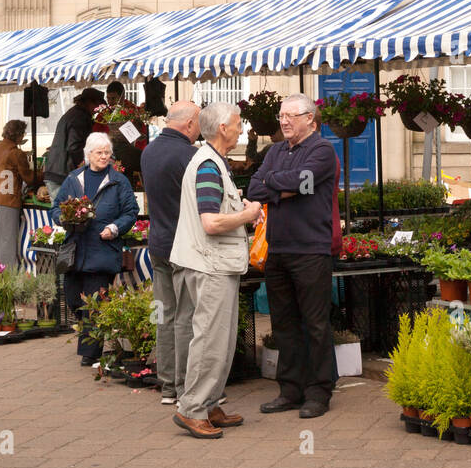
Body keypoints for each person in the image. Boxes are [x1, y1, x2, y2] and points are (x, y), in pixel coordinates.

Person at [169, 103, 262, 439]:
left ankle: (207, 404)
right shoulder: (208, 165)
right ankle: (192, 409)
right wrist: (248, 214)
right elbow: (211, 222)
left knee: (217, 339)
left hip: (208, 263)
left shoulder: (211, 161)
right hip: (210, 265)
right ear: (223, 127)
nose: (242, 129)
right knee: (211, 340)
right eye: (238, 124)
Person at [247, 93, 338, 418]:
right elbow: (254, 189)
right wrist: (281, 186)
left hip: (310, 250)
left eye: (291, 116)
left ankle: (318, 392)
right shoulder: (274, 151)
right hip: (278, 250)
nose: (283, 121)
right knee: (283, 323)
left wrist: (277, 184)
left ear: (310, 119)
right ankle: (290, 390)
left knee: (314, 324)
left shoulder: (322, 150)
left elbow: (304, 182)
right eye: (281, 115)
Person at [52, 131, 139, 365]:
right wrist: (63, 218)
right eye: (99, 152)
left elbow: (131, 212)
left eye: (107, 153)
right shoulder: (74, 178)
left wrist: (114, 227)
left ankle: (90, 353)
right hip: (76, 251)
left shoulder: (118, 181)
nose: (104, 157)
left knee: (94, 302)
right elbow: (56, 207)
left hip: (102, 250)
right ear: (88, 154)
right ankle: (93, 337)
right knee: (73, 298)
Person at [140, 100, 201, 406]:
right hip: (183, 246)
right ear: (189, 124)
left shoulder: (149, 151)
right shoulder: (191, 155)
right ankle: (184, 386)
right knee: (186, 317)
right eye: (199, 121)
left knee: (164, 315)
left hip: (158, 243)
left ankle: (167, 386)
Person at [0, 120, 36, 269]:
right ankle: (6, 278)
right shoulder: (16, 153)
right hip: (7, 199)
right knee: (7, 239)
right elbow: (29, 178)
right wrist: (43, 174)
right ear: (18, 135)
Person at [43, 88, 106, 202]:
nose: (98, 110)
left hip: (57, 172)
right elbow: (75, 147)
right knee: (67, 216)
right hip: (61, 175)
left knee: (66, 215)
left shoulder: (75, 113)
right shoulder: (79, 117)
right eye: (98, 106)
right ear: (89, 103)